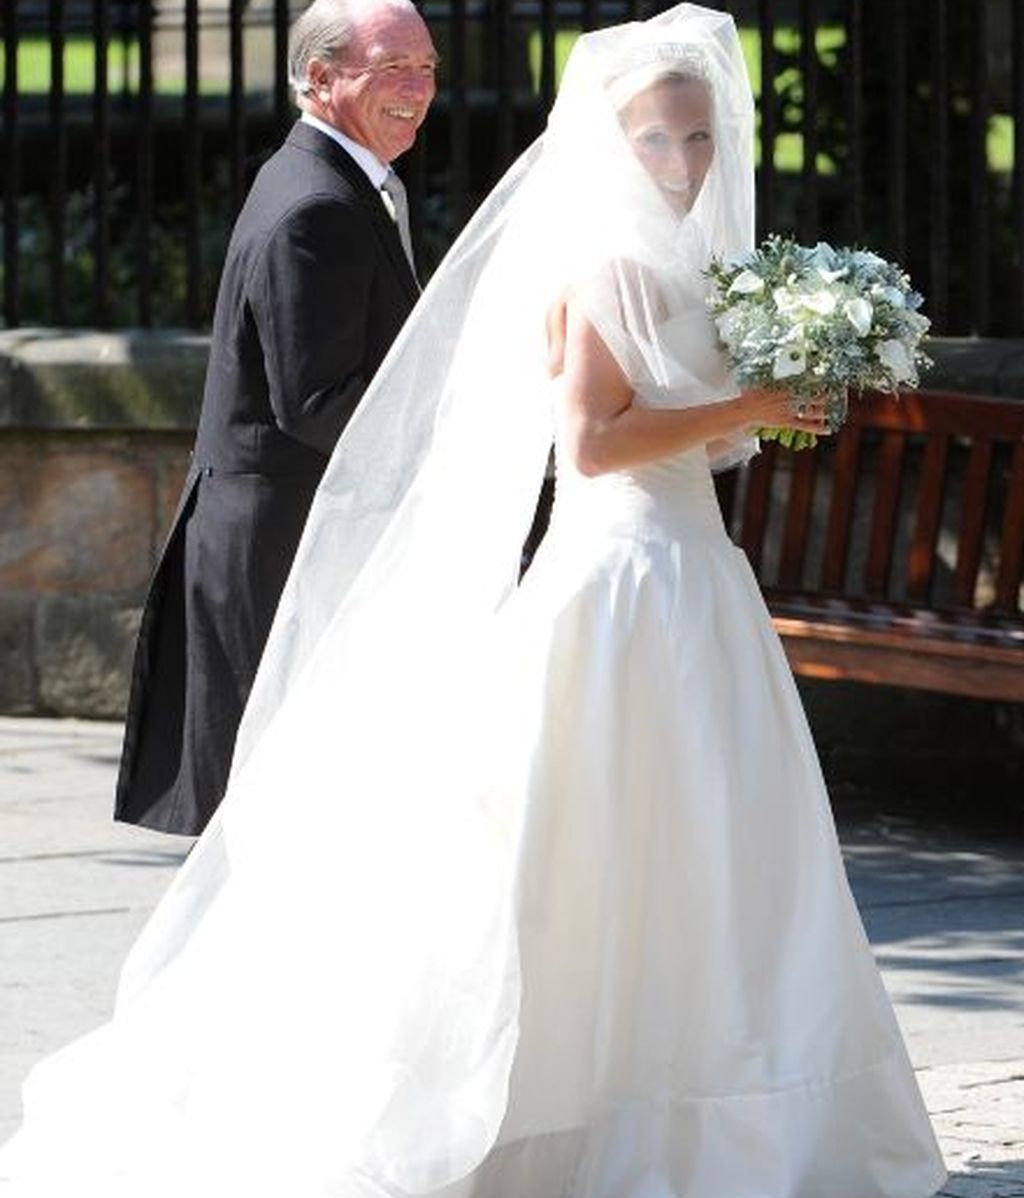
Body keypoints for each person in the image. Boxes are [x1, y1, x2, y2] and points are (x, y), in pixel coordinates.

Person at [1, 7, 947, 1196]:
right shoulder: (599, 258)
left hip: (694, 569)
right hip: (622, 578)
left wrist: (777, 390)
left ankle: (732, 1093)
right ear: (610, 141)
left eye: (700, 140)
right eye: (659, 141)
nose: (685, 163)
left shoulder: (688, 264)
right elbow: (594, 442)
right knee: (589, 844)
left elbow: (683, 438)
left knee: (715, 836)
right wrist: (745, 409)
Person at [113, 0, 437, 836]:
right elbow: (319, 402)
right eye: (392, 68)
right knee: (272, 817)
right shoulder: (318, 208)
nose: (418, 89)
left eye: (427, 68)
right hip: (281, 546)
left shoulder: (332, 178)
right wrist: (456, 434)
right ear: (321, 78)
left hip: (284, 532)